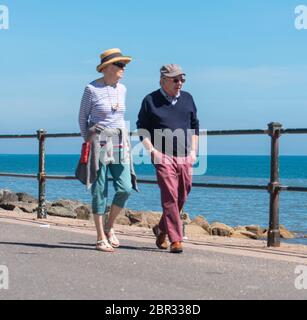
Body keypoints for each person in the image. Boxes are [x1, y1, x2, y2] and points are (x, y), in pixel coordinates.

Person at [77, 48, 137, 252]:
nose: (124, 68)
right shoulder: (91, 89)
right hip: (98, 143)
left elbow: (119, 117)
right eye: (120, 65)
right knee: (99, 190)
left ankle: (110, 226)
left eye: (124, 65)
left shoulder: (123, 89)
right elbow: (82, 118)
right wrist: (90, 141)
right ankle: (100, 236)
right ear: (107, 67)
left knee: (125, 187)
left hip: (120, 142)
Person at [136, 64, 199, 253]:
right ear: (163, 80)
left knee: (183, 194)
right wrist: (152, 151)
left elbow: (195, 126)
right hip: (162, 155)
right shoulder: (150, 100)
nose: (179, 83)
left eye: (182, 79)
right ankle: (176, 239)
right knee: (170, 196)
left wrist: (194, 151)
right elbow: (142, 129)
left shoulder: (188, 99)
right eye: (175, 80)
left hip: (185, 154)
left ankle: (161, 228)